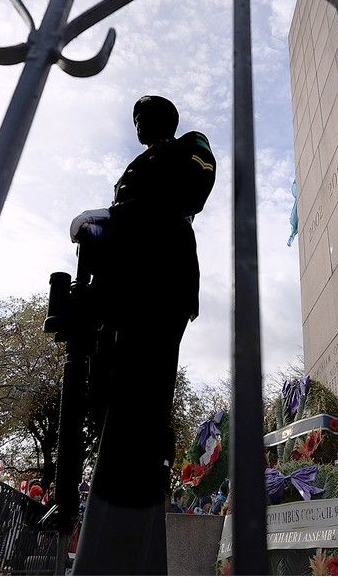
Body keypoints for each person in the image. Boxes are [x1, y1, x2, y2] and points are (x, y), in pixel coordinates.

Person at [72, 95, 215, 574]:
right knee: (110, 403)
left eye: (142, 118)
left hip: (161, 283)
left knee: (145, 401)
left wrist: (115, 217)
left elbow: (189, 192)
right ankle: (110, 523)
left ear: (162, 121)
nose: (137, 125)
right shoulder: (138, 165)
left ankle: (131, 527)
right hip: (120, 290)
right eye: (134, 119)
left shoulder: (191, 146)